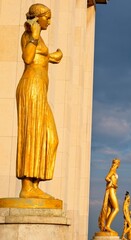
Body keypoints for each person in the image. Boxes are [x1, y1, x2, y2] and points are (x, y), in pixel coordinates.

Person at [16, 3, 63, 199]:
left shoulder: (38, 37)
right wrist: (34, 35)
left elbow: (38, 57)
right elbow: (28, 58)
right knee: (32, 134)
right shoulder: (29, 34)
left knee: (50, 139)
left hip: (40, 89)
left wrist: (53, 56)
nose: (50, 22)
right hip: (32, 87)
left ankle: (34, 184)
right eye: (48, 17)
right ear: (38, 17)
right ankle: (27, 187)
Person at [98, 158, 121, 234]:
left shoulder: (114, 170)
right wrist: (113, 183)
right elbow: (106, 178)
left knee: (109, 209)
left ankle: (106, 226)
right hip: (111, 190)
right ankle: (107, 225)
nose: (118, 164)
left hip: (113, 190)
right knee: (117, 208)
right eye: (118, 163)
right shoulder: (113, 170)